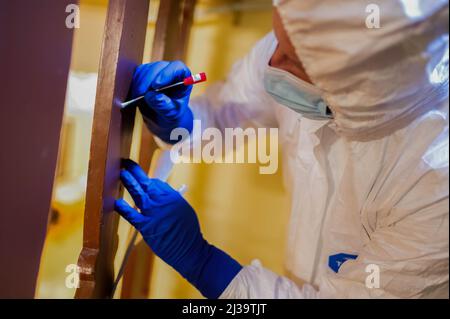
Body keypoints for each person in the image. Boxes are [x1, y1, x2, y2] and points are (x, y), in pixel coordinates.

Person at [115, 0, 449, 298]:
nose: (272, 62)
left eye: (290, 58)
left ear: (356, 86)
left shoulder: (435, 183)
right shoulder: (302, 37)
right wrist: (179, 121)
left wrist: (202, 263)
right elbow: (228, 114)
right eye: (279, 37)